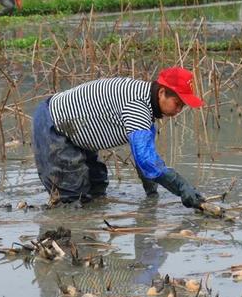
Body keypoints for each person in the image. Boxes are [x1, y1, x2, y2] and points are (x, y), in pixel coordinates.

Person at [32, 67, 206, 208]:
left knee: (97, 186)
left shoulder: (146, 102)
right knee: (71, 199)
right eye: (177, 104)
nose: (178, 111)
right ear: (161, 93)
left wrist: (151, 194)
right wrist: (182, 187)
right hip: (54, 125)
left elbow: (142, 155)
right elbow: (147, 161)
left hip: (78, 132)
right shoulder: (138, 107)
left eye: (183, 106)